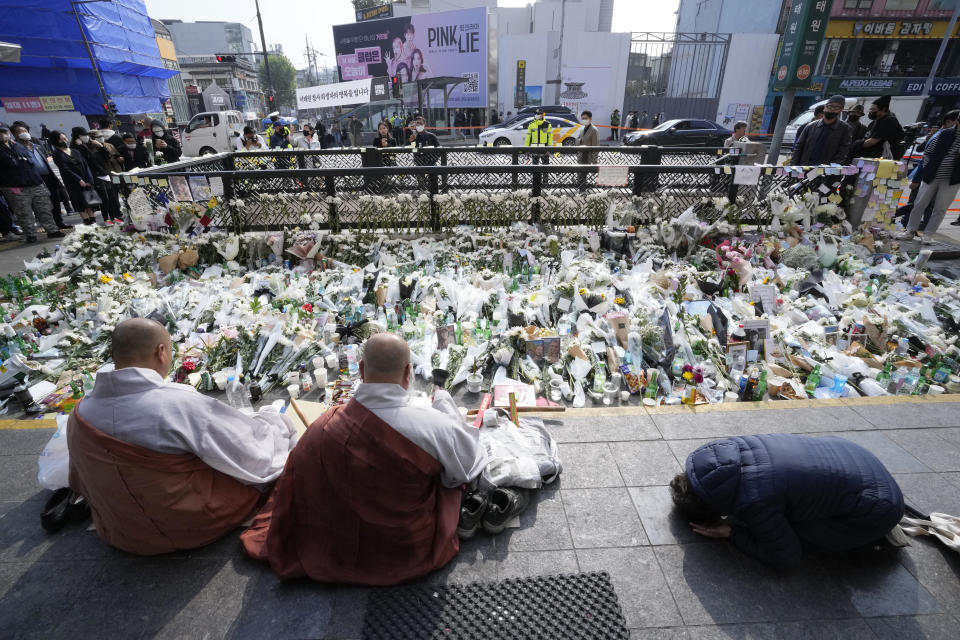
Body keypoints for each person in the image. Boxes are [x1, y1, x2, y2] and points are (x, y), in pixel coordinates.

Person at [240, 333, 487, 585]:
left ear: (360, 369)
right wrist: (445, 406)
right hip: (405, 547)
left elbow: (298, 481)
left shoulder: (324, 427)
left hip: (337, 545)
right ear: (408, 372)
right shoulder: (433, 426)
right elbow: (467, 467)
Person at [68, 318, 298, 556]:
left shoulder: (81, 412)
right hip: (187, 525)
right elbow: (253, 454)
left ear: (114, 354)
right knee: (272, 434)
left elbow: (79, 482)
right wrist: (273, 419)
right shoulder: (176, 404)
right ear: (161, 352)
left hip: (120, 527)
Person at [670, 434, 904, 570]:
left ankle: (871, 534)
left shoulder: (754, 500)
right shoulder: (736, 446)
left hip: (880, 508)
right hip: (858, 457)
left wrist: (732, 533)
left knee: (797, 534)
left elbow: (786, 557)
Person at [898, 108, 960, 241]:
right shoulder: (945, 133)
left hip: (952, 179)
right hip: (932, 175)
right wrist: (928, 169)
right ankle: (910, 230)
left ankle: (928, 235)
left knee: (940, 209)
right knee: (919, 204)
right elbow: (927, 152)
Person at [0, 125, 63, 242]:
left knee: (45, 208)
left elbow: (30, 162)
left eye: (4, 132)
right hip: (15, 187)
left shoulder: (18, 146)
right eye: (0, 133)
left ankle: (52, 230)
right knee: (24, 212)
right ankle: (31, 234)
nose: (3, 135)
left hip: (35, 182)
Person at [9, 122, 72, 230]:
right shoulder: (16, 148)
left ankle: (59, 222)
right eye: (19, 132)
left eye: (24, 131)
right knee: (43, 205)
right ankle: (48, 226)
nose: (23, 133)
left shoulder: (37, 146)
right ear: (14, 134)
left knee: (55, 200)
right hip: (35, 179)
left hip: (48, 176)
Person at [51, 130, 97, 225]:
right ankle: (87, 222)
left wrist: (89, 179)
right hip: (72, 182)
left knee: (90, 202)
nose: (65, 140)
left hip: (86, 180)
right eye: (62, 139)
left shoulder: (75, 151)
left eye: (65, 138)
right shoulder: (57, 154)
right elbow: (65, 168)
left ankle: (93, 222)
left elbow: (85, 165)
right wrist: (78, 179)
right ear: (56, 141)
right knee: (80, 203)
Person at [790, 95, 851, 165]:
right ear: (825, 107)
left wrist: (830, 169)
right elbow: (798, 147)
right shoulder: (810, 126)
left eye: (837, 107)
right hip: (805, 168)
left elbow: (843, 152)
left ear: (841, 109)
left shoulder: (845, 129)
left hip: (827, 172)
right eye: (830, 106)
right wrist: (794, 166)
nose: (832, 109)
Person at [78, 129, 123, 223]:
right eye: (98, 137)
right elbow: (89, 159)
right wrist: (82, 145)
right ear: (92, 138)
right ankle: (106, 218)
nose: (101, 138)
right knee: (104, 199)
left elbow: (107, 157)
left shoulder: (101, 147)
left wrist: (100, 146)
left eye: (101, 136)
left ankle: (114, 216)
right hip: (97, 176)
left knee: (113, 198)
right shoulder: (86, 148)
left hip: (107, 174)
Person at [859, 95, 904, 159]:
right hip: (871, 158)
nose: (871, 112)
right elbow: (866, 137)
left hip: (884, 159)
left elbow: (874, 141)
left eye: (873, 109)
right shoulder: (874, 123)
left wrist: (856, 145)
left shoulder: (889, 121)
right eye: (870, 109)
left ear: (883, 109)